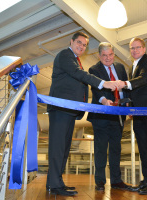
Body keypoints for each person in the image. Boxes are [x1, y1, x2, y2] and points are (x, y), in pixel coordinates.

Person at [46, 32, 118, 196]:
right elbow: (80, 75)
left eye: (84, 45)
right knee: (58, 147)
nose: (81, 46)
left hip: (69, 110)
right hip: (60, 109)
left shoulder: (74, 59)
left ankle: (56, 183)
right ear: (71, 41)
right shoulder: (65, 55)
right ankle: (54, 184)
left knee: (64, 149)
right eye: (79, 42)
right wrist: (103, 83)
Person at [117, 37, 147, 195]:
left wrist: (124, 84)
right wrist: (127, 103)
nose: (135, 50)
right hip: (137, 113)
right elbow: (133, 90)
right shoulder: (131, 67)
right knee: (143, 148)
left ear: (144, 49)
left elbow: (143, 80)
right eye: (132, 48)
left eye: (137, 47)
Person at [87, 42, 134, 191]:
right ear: (99, 56)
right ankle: (100, 181)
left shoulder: (120, 68)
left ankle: (116, 181)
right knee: (101, 148)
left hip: (118, 115)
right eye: (104, 55)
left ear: (114, 54)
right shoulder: (93, 69)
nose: (108, 58)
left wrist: (127, 102)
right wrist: (103, 101)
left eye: (110, 55)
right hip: (101, 114)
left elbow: (126, 88)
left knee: (116, 148)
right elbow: (95, 89)